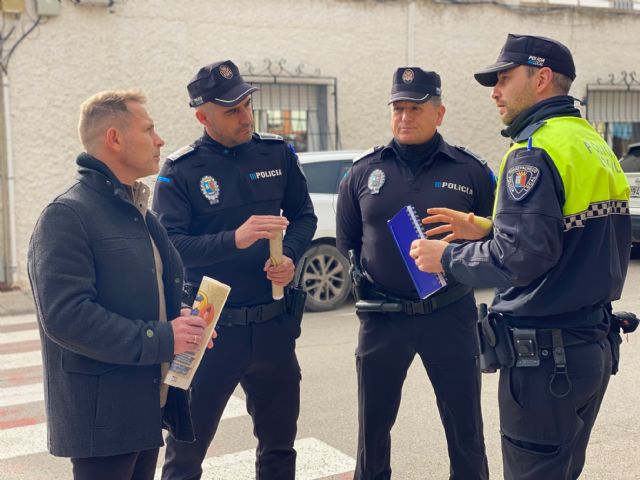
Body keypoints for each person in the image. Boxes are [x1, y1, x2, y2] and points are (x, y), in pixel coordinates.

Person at [409, 34, 631, 480]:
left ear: (543, 79)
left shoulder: (534, 150)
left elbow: (522, 258)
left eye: (504, 79)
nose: (495, 92)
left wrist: (448, 257)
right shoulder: (592, 143)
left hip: (547, 361)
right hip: (589, 348)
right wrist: (487, 228)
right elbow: (566, 239)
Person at [27, 90, 214, 480]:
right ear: (114, 139)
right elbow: (66, 317)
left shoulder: (138, 213)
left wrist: (184, 325)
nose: (160, 139)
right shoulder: (66, 216)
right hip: (102, 422)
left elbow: (142, 295)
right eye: (149, 129)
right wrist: (166, 337)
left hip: (143, 409)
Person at [153, 60, 317, 480]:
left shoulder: (276, 152)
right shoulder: (180, 170)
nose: (245, 116)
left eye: (247, 105)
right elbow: (170, 247)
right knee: (186, 454)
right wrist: (235, 239)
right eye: (232, 110)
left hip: (272, 323)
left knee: (280, 449)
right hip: (207, 326)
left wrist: (290, 258)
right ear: (202, 116)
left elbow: (303, 216)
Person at [336, 67, 494, 480]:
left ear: (439, 113)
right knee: (373, 429)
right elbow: (349, 240)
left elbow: (501, 238)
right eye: (398, 107)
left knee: (465, 427)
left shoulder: (470, 171)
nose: (405, 116)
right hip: (383, 317)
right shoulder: (362, 171)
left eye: (416, 108)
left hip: (449, 313)